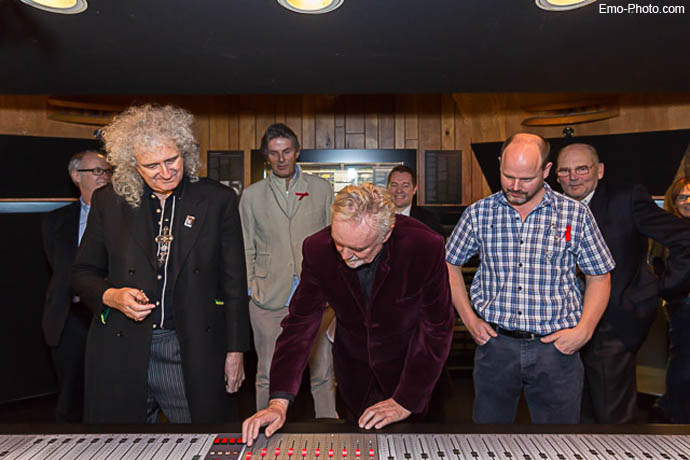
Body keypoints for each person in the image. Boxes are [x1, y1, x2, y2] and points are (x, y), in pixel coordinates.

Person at [71, 104, 249, 423]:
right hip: (121, 348)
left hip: (188, 347)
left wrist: (235, 351)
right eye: (152, 165)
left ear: (185, 153)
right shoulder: (108, 202)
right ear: (133, 166)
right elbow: (82, 273)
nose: (165, 172)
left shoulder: (217, 200)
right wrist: (111, 296)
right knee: (122, 448)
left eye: (172, 160)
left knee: (199, 443)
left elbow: (234, 284)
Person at [242, 183, 454, 444]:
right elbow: (299, 325)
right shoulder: (318, 249)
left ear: (386, 234)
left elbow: (437, 328)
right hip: (356, 377)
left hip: (413, 373)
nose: (344, 255)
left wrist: (406, 399)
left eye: (358, 249)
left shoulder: (424, 246)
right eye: (339, 243)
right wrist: (279, 400)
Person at [445, 133, 615, 424]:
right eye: (508, 176)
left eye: (526, 179)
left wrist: (584, 331)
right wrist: (470, 322)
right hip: (496, 347)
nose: (515, 186)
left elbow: (599, 274)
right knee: (489, 442)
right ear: (499, 164)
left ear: (546, 171)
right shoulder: (479, 214)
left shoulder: (575, 214)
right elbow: (449, 265)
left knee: (557, 445)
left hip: (557, 350)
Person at [555, 143, 690, 424]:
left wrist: (664, 286)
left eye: (582, 168)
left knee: (612, 416)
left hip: (613, 321)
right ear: (556, 176)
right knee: (579, 411)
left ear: (599, 171)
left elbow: (684, 238)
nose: (573, 177)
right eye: (565, 171)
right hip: (566, 325)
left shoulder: (626, 199)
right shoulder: (553, 208)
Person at [239, 123, 337, 418]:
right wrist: (251, 289)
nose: (281, 159)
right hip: (269, 298)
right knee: (268, 374)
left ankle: (329, 432)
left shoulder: (321, 189)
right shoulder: (251, 196)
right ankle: (263, 434)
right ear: (266, 157)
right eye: (273, 153)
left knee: (322, 372)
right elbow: (245, 247)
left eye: (286, 152)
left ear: (297, 152)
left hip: (316, 298)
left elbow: (335, 241)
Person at [42, 150, 111, 422]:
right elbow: (59, 268)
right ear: (75, 176)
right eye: (96, 171)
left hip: (106, 315)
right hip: (67, 319)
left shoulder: (125, 218)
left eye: (107, 171)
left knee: (107, 399)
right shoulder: (55, 221)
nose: (104, 177)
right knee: (69, 401)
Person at [652, 177, 690, 423]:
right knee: (683, 366)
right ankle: (676, 417)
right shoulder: (668, 231)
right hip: (683, 306)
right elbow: (657, 268)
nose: (688, 201)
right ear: (673, 201)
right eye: (683, 197)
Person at [387, 165, 444, 236]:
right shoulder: (376, 218)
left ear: (414, 189)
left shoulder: (429, 220)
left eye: (405, 185)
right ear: (388, 188)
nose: (399, 190)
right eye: (394, 185)